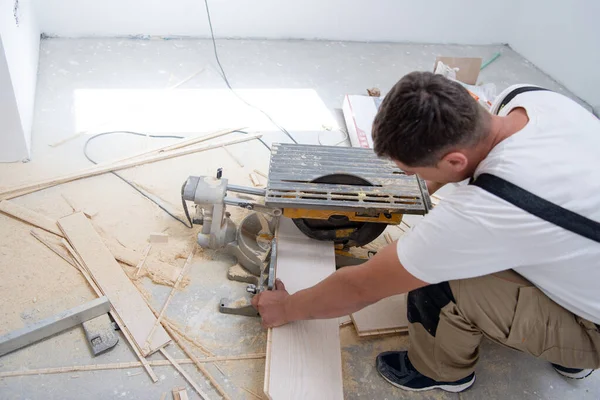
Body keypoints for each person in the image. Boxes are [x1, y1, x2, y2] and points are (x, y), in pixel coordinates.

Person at [251, 71, 600, 392]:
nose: (409, 178)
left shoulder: (498, 204)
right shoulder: (530, 98)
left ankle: (443, 372)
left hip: (594, 329)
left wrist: (288, 308)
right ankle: (566, 347)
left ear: (454, 162)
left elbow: (361, 286)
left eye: (408, 171)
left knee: (438, 281)